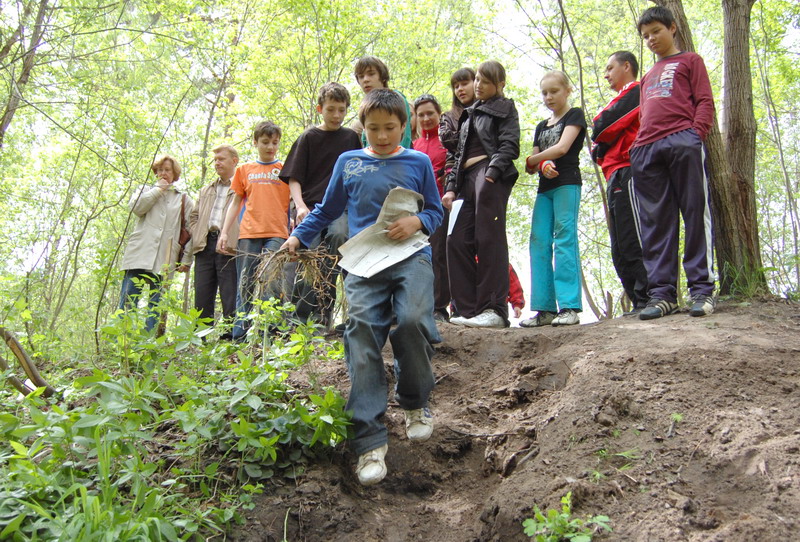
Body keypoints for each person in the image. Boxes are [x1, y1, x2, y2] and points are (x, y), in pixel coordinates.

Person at [281, 89, 443, 487]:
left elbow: (436, 211)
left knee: (411, 320)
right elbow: (328, 208)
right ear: (363, 128)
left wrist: (417, 221)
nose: (382, 135)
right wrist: (299, 237)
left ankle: (415, 402)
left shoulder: (418, 161)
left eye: (390, 128)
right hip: (363, 262)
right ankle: (370, 441)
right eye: (373, 128)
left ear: (403, 126)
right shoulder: (349, 161)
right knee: (361, 335)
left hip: (410, 256)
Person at [631, 6, 716, 320]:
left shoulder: (690, 61)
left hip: (682, 140)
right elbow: (643, 114)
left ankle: (702, 291)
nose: (651, 39)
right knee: (656, 225)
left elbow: (704, 100)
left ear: (673, 28)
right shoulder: (648, 76)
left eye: (656, 31)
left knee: (695, 211)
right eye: (646, 36)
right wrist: (638, 146)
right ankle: (663, 294)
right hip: (646, 150)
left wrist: (695, 135)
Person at [443, 60, 520, 328]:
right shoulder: (467, 113)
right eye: (476, 79)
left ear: (500, 85)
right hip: (464, 182)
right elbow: (456, 154)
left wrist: (492, 174)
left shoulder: (505, 108)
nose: (478, 85)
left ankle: (494, 309)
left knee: (488, 237)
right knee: (455, 240)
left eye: (485, 81)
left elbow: (510, 144)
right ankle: (466, 309)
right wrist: (450, 188)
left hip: (488, 175)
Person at [280, 83, 361, 326]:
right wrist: (301, 206)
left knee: (338, 238)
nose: (337, 115)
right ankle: (302, 321)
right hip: (311, 207)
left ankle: (323, 314)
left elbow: (357, 176)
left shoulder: (350, 138)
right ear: (320, 109)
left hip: (340, 208)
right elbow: (294, 178)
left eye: (342, 110)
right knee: (309, 258)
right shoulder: (308, 137)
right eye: (331, 110)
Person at [521, 71, 587, 328]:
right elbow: (532, 164)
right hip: (544, 189)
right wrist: (540, 163)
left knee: (565, 239)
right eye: (544, 93)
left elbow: (562, 148)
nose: (549, 97)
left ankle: (569, 307)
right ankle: (544, 309)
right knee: (538, 241)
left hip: (567, 184)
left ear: (567, 90)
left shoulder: (575, 115)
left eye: (554, 91)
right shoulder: (541, 126)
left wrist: (536, 160)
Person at [218, 121, 289, 340]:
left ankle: (268, 333)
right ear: (255, 142)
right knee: (245, 283)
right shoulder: (244, 170)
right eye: (265, 142)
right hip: (249, 233)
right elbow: (235, 203)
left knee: (272, 281)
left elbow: (295, 199)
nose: (270, 147)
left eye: (275, 143)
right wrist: (224, 232)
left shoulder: (285, 169)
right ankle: (240, 334)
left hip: (277, 232)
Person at [590, 51, 649, 315]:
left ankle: (648, 296)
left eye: (610, 68)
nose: (606, 75)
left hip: (629, 170)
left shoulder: (637, 90)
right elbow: (596, 148)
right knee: (619, 245)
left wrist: (603, 137)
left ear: (627, 66)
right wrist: (602, 142)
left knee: (633, 236)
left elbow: (601, 125)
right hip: (613, 174)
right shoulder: (621, 98)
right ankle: (639, 301)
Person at [119, 155, 193, 332]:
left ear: (175, 174)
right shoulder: (145, 190)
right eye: (160, 170)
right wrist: (157, 190)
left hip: (165, 257)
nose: (163, 173)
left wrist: (187, 258)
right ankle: (121, 342)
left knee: (155, 305)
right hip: (139, 253)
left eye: (167, 170)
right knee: (129, 300)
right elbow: (136, 208)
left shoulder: (183, 199)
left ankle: (148, 343)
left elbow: (191, 230)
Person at [188, 145, 240, 338]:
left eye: (221, 158)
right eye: (215, 159)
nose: (217, 162)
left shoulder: (241, 187)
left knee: (229, 292)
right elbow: (193, 217)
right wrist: (197, 232)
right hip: (204, 245)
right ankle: (201, 337)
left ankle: (229, 337)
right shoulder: (206, 189)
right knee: (202, 293)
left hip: (230, 245)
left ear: (234, 161)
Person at [413, 94, 449, 321]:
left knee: (438, 255)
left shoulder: (447, 142)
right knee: (416, 256)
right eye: (421, 115)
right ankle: (416, 306)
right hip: (415, 210)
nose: (426, 118)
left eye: (430, 114)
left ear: (439, 115)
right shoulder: (413, 146)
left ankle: (439, 307)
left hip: (441, 206)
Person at [352, 56, 413, 148]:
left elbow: (405, 137)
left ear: (382, 76)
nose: (366, 79)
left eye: (371, 74)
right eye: (361, 76)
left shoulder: (396, 98)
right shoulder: (366, 105)